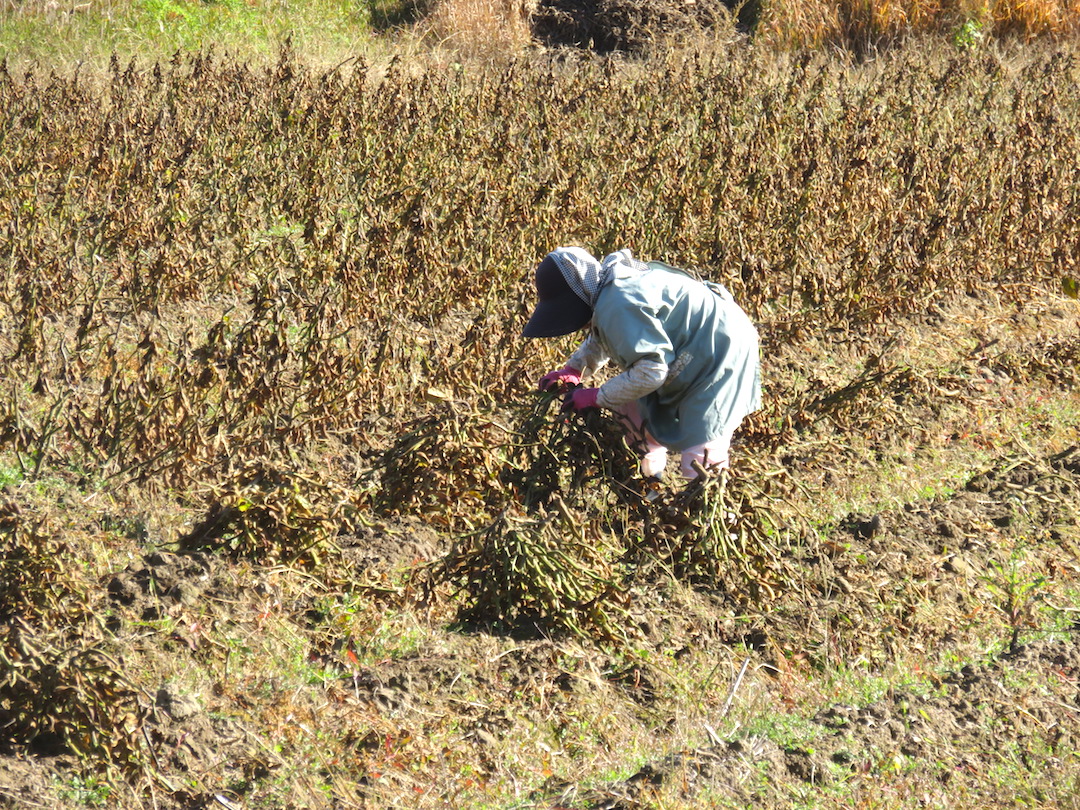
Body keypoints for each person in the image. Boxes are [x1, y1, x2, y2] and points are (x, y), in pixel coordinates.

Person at [523, 246, 761, 480]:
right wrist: (574, 369)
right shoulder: (610, 288)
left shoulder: (618, 301)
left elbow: (651, 372)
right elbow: (604, 334)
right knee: (632, 412)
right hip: (698, 344)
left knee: (704, 444)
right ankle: (650, 486)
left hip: (720, 351)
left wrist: (597, 396)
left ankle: (706, 511)